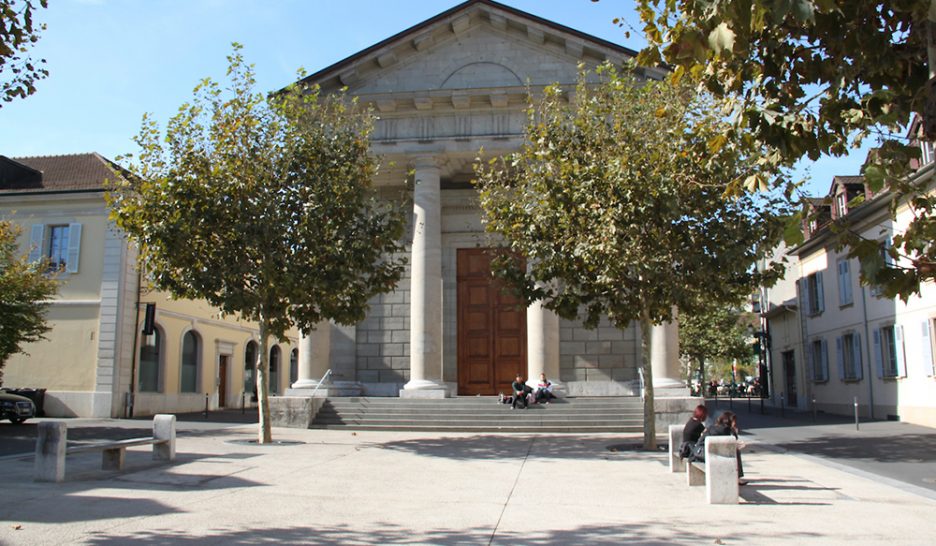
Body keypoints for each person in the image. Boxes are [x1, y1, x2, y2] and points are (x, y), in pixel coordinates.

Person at [704, 410, 746, 484]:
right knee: (736, 452)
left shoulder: (714, 427)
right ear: (729, 421)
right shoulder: (726, 430)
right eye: (734, 421)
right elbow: (732, 441)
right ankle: (737, 478)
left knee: (736, 451)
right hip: (710, 454)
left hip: (704, 451)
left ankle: (737, 477)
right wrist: (734, 431)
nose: (735, 423)